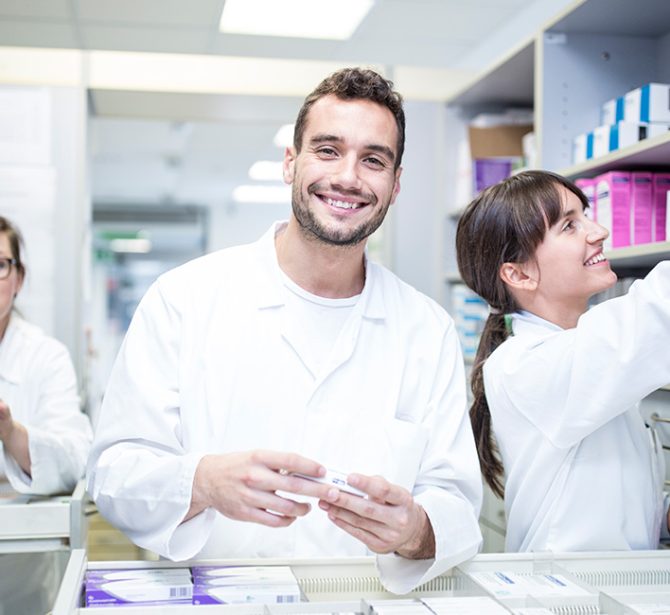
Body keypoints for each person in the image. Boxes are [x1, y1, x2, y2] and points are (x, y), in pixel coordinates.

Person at [87, 67, 482, 594]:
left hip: (362, 602)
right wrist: (202, 482)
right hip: (216, 598)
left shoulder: (425, 328)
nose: (348, 177)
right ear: (290, 163)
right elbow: (114, 471)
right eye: (327, 150)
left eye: (373, 160)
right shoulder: (185, 298)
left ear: (395, 185)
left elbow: (454, 498)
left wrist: (416, 530)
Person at [455, 169, 670, 553]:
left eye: (585, 214)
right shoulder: (525, 366)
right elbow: (653, 316)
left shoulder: (574, 352)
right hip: (567, 595)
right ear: (518, 273)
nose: (598, 230)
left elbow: (602, 494)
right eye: (569, 226)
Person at [0, 215, 92, 495]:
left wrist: (10, 433)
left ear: (19, 279)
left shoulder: (45, 357)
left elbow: (75, 461)